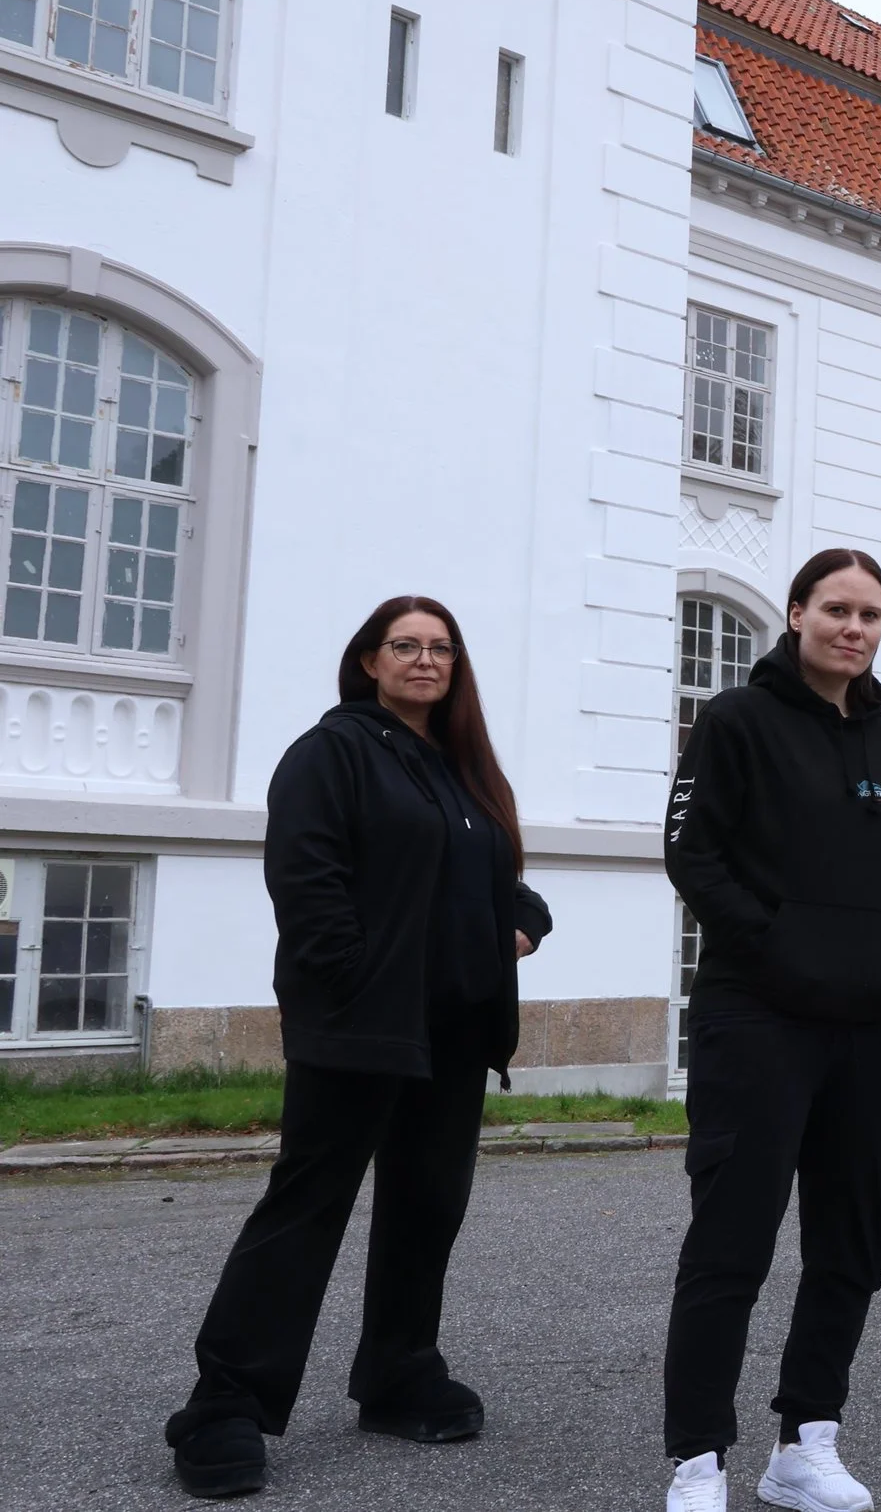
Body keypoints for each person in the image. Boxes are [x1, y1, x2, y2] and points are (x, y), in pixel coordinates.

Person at [164, 597, 553, 1499]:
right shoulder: (332, 751)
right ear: (370, 660)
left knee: (426, 1209)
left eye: (440, 648)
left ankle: (398, 1373)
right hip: (362, 1025)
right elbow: (307, 882)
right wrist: (353, 978)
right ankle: (225, 1404)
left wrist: (519, 927)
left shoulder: (460, 772)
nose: (424, 660)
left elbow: (498, 879)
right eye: (405, 646)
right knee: (306, 1211)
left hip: (453, 1034)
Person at [661, 549, 881, 1512]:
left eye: (869, 614)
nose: (853, 629)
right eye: (835, 609)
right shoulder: (736, 722)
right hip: (759, 1014)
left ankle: (805, 1442)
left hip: (866, 1026)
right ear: (796, 614)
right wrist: (775, 945)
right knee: (732, 1238)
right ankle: (698, 1460)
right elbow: (691, 853)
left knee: (854, 1238)